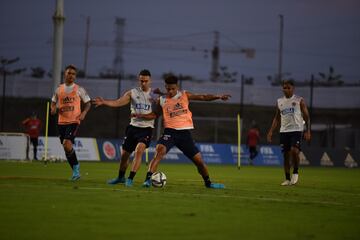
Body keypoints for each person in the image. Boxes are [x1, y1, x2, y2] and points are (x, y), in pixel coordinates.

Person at [139, 75, 231, 189]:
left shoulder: (184, 95)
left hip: (184, 134)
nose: (171, 91)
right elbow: (154, 115)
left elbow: (203, 96)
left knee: (199, 162)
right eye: (168, 89)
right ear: (165, 87)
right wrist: (141, 115)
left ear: (177, 86)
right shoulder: (161, 100)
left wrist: (219, 96)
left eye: (173, 88)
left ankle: (208, 183)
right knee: (159, 152)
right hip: (170, 132)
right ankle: (147, 180)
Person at [92, 69, 158, 187]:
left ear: (150, 81)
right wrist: (104, 102)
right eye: (141, 81)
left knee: (139, 151)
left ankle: (130, 179)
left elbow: (160, 110)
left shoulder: (154, 95)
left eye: (146, 81)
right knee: (124, 156)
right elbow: (118, 102)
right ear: (139, 80)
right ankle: (120, 177)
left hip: (146, 129)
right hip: (133, 128)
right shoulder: (132, 93)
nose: (143, 83)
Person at [50, 64, 91, 181]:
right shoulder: (59, 89)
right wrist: (53, 108)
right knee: (65, 147)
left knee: (67, 143)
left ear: (75, 76)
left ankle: (76, 168)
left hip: (74, 120)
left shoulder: (79, 89)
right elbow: (53, 102)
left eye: (73, 74)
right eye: (69, 73)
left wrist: (83, 113)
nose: (71, 76)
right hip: (61, 122)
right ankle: (75, 171)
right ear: (65, 74)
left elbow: (88, 103)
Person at [266, 80, 311, 186]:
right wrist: (270, 131)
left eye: (288, 88)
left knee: (295, 151)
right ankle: (287, 179)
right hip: (284, 131)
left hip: (296, 130)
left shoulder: (299, 100)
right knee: (286, 155)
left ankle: (295, 172)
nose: (286, 89)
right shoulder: (279, 102)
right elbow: (276, 118)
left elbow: (307, 117)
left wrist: (308, 131)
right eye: (284, 88)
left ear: (293, 88)